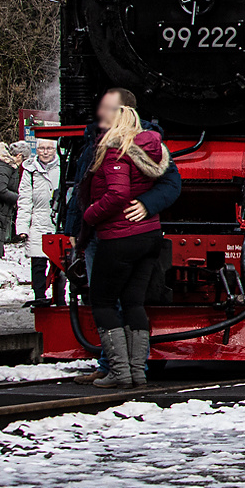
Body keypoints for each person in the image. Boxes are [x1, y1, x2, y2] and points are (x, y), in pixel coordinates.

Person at [64, 90, 182, 385]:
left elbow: (166, 183)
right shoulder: (93, 138)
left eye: (108, 107)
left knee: (106, 300)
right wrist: (72, 229)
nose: (100, 111)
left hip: (113, 231)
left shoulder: (133, 142)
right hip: (112, 232)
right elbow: (82, 186)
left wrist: (146, 204)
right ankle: (127, 370)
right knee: (125, 300)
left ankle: (118, 369)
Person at [15, 139, 63, 307]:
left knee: (60, 262)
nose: (45, 152)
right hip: (37, 220)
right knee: (38, 260)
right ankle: (40, 295)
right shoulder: (30, 171)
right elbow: (25, 200)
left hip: (58, 220)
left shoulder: (62, 168)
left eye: (49, 148)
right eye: (42, 148)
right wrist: (22, 227)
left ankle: (60, 296)